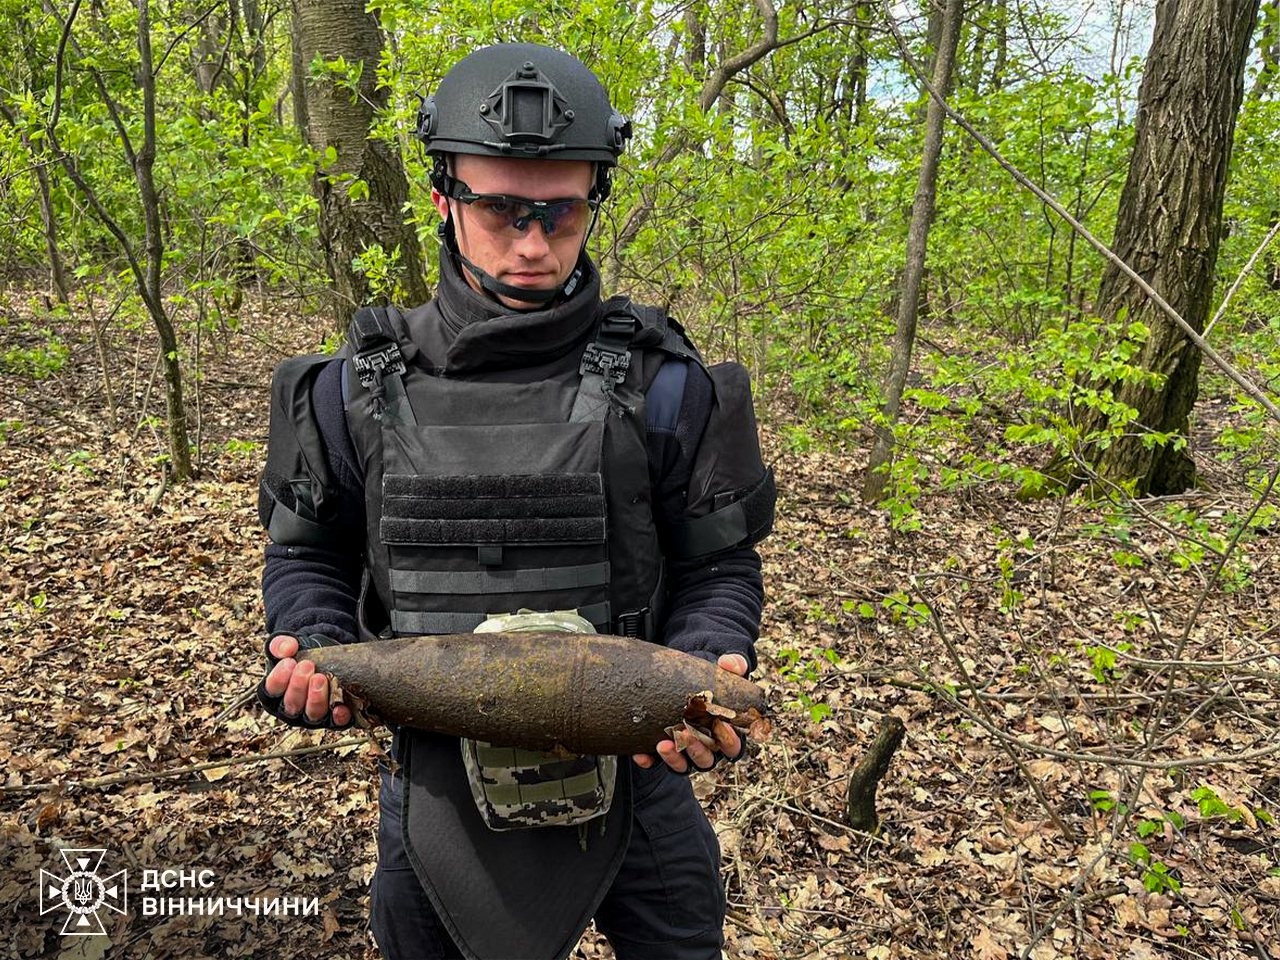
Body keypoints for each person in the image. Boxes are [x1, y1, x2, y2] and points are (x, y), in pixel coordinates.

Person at [254, 42, 775, 960]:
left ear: (591, 202)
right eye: (502, 210)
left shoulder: (668, 387)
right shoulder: (352, 388)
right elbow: (310, 552)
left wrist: (706, 670)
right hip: (436, 780)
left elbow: (718, 566)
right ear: (443, 199)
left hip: (637, 775)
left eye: (560, 211)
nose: (534, 243)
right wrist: (314, 644)